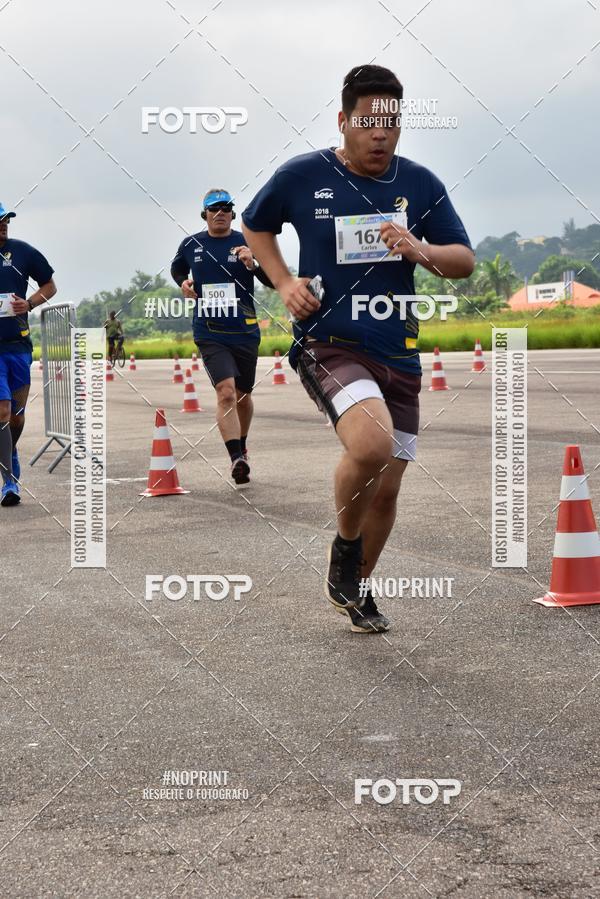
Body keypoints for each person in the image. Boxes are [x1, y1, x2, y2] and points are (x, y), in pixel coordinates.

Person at [242, 65, 474, 632]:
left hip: (398, 349)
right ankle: (345, 549)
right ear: (344, 121)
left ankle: (357, 590)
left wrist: (418, 248)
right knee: (370, 445)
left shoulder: (419, 183)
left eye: (391, 124)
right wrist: (284, 283)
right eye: (369, 123)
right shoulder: (302, 175)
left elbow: (463, 262)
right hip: (330, 343)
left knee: (388, 488)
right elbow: (255, 226)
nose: (381, 134)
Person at [170, 189, 273, 488]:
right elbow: (177, 268)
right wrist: (183, 284)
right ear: (205, 214)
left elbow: (272, 279)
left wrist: (252, 263)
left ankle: (242, 444)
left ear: (232, 213)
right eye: (214, 209)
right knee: (225, 392)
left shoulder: (247, 241)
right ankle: (235, 459)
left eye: (226, 208)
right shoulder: (191, 244)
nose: (220, 213)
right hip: (209, 331)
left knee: (242, 395)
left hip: (244, 329)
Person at [0, 202, 57, 507]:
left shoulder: (22, 252)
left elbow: (50, 285)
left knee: (18, 419)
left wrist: (31, 302)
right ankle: (9, 481)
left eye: (6, 220)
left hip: (19, 347)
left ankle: (8, 452)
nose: (4, 225)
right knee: (3, 412)